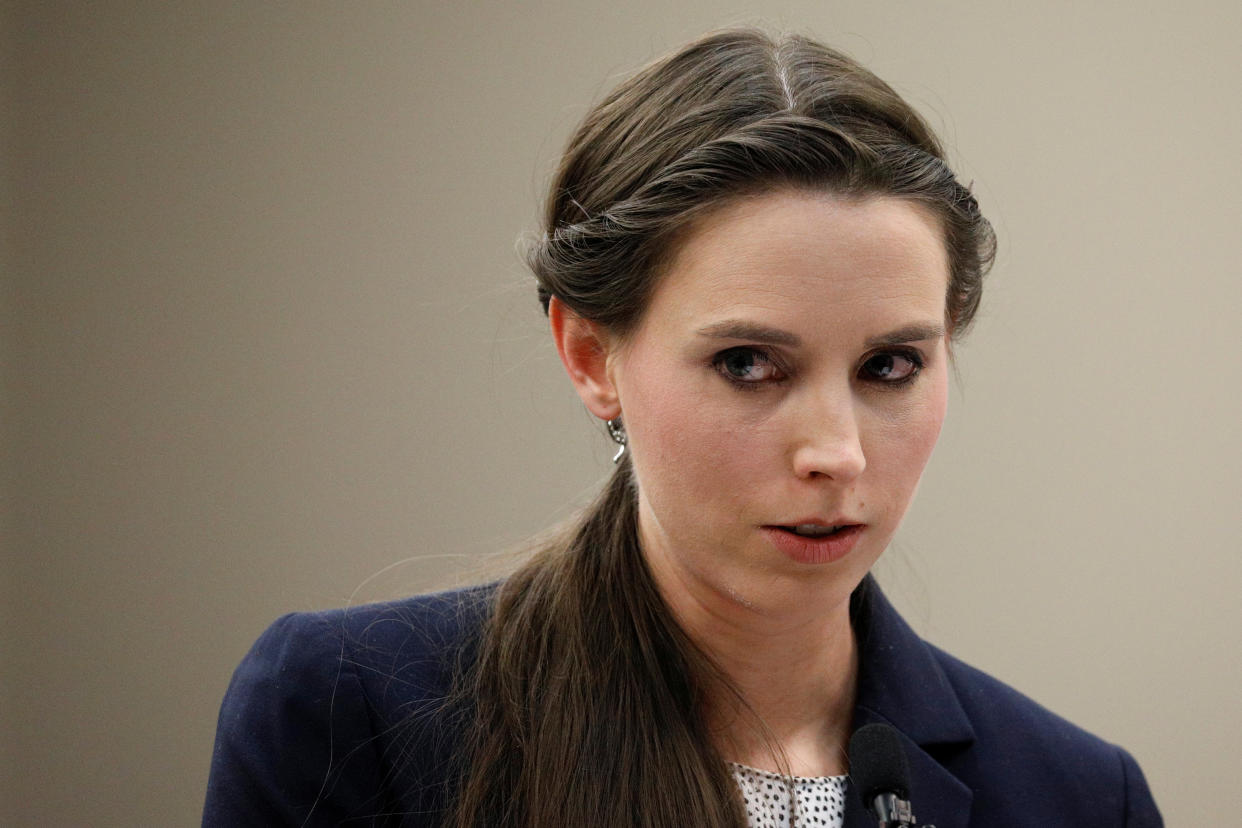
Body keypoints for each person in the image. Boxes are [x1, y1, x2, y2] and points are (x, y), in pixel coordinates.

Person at [202, 28, 1162, 827]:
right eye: (748, 365)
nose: (837, 453)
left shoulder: (1078, 798)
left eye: (890, 367)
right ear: (590, 355)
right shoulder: (351, 714)